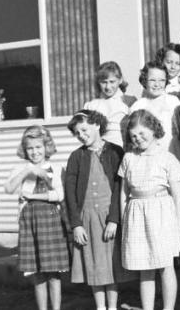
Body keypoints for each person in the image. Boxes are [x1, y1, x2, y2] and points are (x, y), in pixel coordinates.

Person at [65, 110, 136, 310]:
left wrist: (114, 219)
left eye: (84, 129)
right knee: (94, 262)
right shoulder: (76, 156)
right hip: (86, 218)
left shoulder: (115, 152)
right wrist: (76, 225)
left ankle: (112, 306)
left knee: (110, 263)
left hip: (108, 216)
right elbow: (69, 193)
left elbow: (120, 187)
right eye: (77, 133)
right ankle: (100, 307)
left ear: (97, 125)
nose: (81, 135)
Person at [119, 109, 180, 310]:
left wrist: (179, 225)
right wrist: (124, 220)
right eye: (133, 136)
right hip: (136, 216)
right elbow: (124, 193)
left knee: (165, 265)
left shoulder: (168, 159)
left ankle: (168, 308)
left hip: (161, 215)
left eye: (142, 133)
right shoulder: (129, 158)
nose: (138, 139)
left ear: (153, 129)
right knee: (144, 267)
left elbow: (178, 196)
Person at [4, 125, 68, 310]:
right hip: (30, 222)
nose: (34, 152)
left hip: (51, 222)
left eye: (38, 147)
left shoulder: (55, 168)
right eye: (30, 148)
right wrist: (28, 171)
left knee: (54, 273)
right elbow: (8, 189)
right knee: (38, 274)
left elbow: (59, 195)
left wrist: (34, 194)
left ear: (46, 147)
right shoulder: (21, 168)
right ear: (25, 150)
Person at [131, 61, 180, 158]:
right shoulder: (138, 106)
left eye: (162, 80)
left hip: (173, 151)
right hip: (148, 154)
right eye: (152, 80)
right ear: (144, 80)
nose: (157, 84)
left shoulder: (174, 102)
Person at [84, 61, 137, 148]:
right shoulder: (92, 106)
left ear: (120, 80)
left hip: (124, 150)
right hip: (101, 152)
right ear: (98, 82)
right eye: (104, 82)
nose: (108, 87)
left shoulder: (129, 101)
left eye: (112, 82)